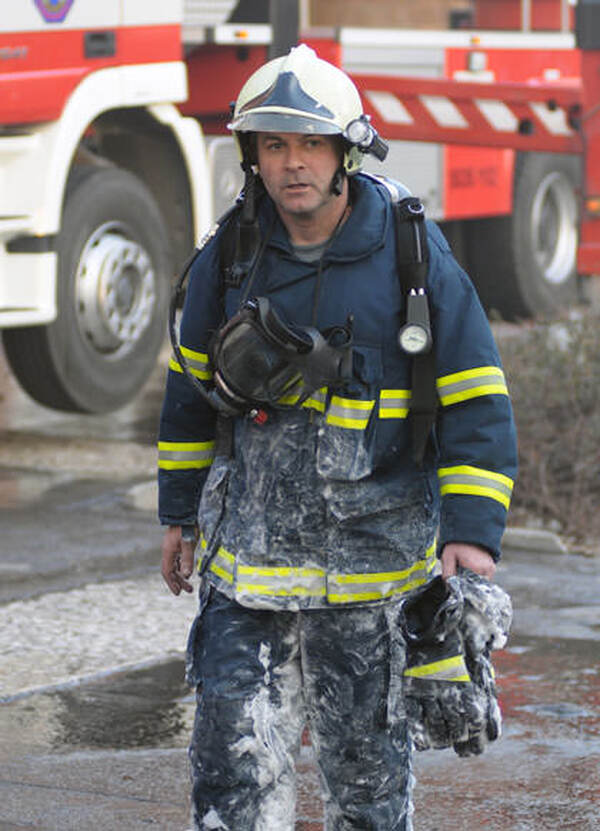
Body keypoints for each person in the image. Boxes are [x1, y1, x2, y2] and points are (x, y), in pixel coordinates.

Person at [158, 44, 518, 831]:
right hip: (245, 572)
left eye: (311, 144)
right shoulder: (230, 256)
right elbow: (189, 394)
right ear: (253, 155)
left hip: (371, 577)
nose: (293, 165)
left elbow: (475, 393)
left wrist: (472, 533)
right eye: (275, 145)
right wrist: (178, 513)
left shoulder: (410, 255)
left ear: (345, 149)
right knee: (232, 778)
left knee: (367, 793)